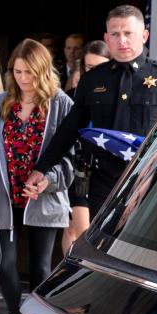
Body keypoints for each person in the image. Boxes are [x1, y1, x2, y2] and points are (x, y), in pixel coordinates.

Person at [26, 5, 157, 218]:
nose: (122, 40)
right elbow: (70, 128)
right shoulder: (93, 79)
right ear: (106, 38)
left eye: (129, 33)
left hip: (151, 182)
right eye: (115, 34)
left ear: (144, 36)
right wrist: (42, 168)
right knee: (102, 248)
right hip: (103, 183)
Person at [0, 39, 75, 314]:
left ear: (43, 72)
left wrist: (47, 181)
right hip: (4, 197)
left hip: (43, 198)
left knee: (39, 268)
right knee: (4, 265)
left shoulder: (61, 105)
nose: (24, 79)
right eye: (18, 71)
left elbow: (71, 159)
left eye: (30, 73)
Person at [61, 39, 111, 253]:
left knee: (94, 231)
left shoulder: (117, 96)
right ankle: (68, 278)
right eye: (89, 68)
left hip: (108, 169)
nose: (94, 73)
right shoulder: (75, 96)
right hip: (80, 167)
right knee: (75, 229)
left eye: (100, 67)